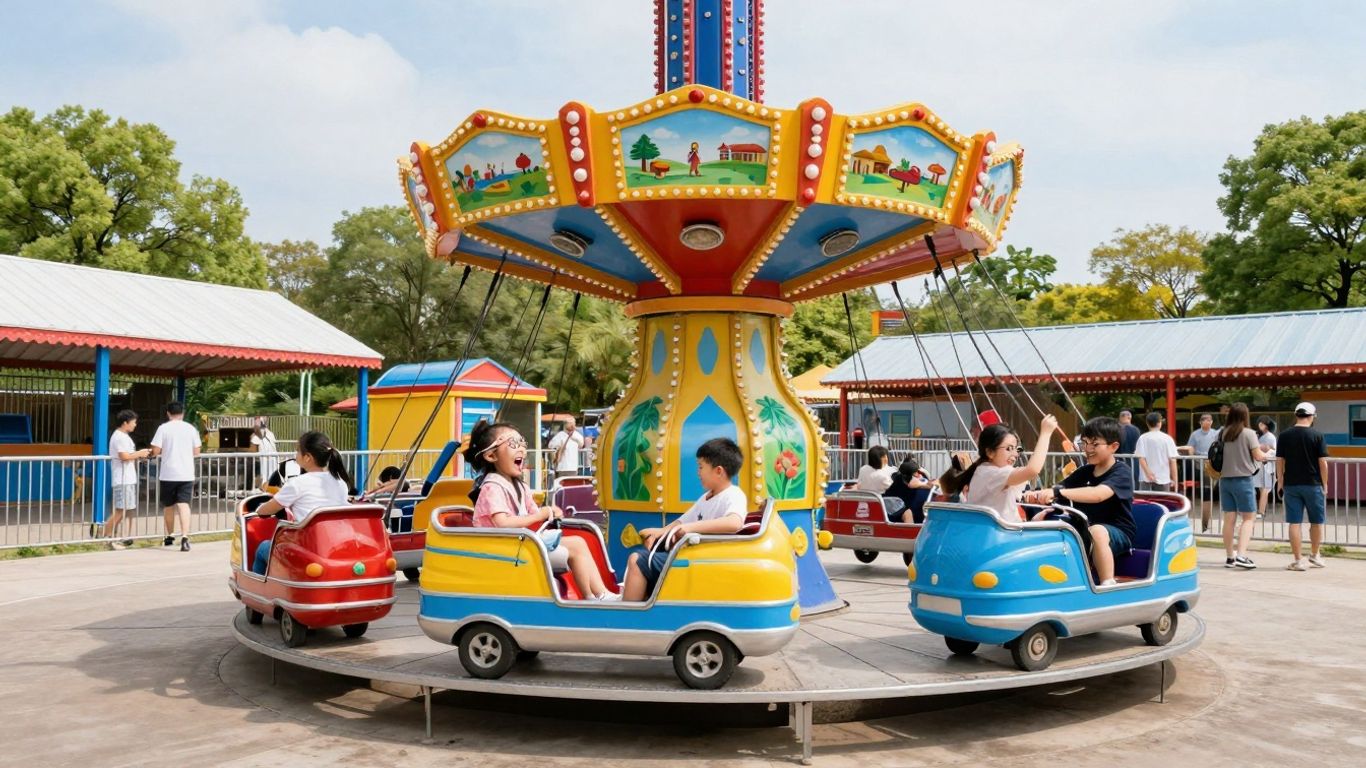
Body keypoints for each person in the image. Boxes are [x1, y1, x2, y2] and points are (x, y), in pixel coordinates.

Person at [466, 420, 617, 602]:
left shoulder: (519, 486)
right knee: (577, 544)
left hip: (519, 544)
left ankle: (599, 594)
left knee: (579, 541)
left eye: (521, 443)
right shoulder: (492, 487)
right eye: (513, 444)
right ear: (491, 456)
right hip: (502, 550)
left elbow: (533, 511)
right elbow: (502, 523)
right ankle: (592, 596)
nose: (521, 448)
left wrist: (550, 511)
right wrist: (539, 515)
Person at [621, 437, 747, 602]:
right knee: (650, 553)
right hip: (696, 556)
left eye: (701, 467)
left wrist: (691, 528)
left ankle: (630, 615)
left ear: (718, 471)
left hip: (705, 561)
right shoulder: (706, 498)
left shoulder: (733, 494)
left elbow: (734, 522)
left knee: (637, 560)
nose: (698, 472)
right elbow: (682, 522)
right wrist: (659, 532)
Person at [1023, 417, 1136, 587]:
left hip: (1117, 533)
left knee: (1097, 531)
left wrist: (1057, 492)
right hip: (1083, 528)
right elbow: (1058, 488)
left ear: (1114, 446)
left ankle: (1107, 583)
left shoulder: (1121, 472)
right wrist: (1036, 494)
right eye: (1085, 443)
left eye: (1095, 444)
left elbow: (1098, 494)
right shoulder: (1084, 472)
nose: (1088, 449)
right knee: (1051, 525)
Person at [249, 431, 353, 574]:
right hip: (335, 544)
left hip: (308, 548)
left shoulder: (296, 483)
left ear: (308, 457)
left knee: (263, 548)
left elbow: (267, 510)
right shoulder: (340, 482)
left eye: (298, 450)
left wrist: (259, 510)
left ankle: (258, 591)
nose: (295, 454)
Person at [940, 414, 1059, 522]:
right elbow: (1032, 470)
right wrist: (1046, 433)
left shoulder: (985, 470)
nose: (1015, 454)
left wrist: (1033, 521)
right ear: (990, 452)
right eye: (1008, 449)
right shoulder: (993, 473)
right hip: (1002, 539)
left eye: (1016, 449)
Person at [1217, 402, 1270, 570]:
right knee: (1249, 518)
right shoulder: (1249, 433)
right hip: (1243, 480)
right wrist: (1266, 454)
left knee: (1229, 519)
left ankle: (1230, 557)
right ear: (1245, 415)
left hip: (1225, 480)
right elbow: (1257, 455)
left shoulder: (1222, 433)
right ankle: (1241, 554)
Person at [1277, 403, 1329, 571]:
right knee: (1316, 521)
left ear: (1296, 415)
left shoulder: (1284, 435)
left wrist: (1280, 480)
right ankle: (1315, 555)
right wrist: (1325, 483)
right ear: (1312, 416)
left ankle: (1298, 560)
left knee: (1294, 522)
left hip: (1291, 484)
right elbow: (1323, 463)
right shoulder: (1317, 435)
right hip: (1313, 484)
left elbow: (1280, 460)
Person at [150, 402, 201, 552]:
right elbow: (197, 451)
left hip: (168, 473)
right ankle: (185, 537)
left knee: (168, 505)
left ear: (168, 413)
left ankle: (170, 535)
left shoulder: (163, 428)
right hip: (186, 472)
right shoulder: (191, 428)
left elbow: (156, 450)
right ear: (183, 413)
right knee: (184, 504)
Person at [104, 409, 150, 549]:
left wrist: (139, 456)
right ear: (125, 423)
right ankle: (107, 537)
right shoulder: (119, 437)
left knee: (126, 510)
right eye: (134, 422)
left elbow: (128, 455)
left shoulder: (124, 436)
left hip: (128, 478)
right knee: (120, 510)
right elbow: (124, 456)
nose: (135, 425)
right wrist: (140, 453)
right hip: (122, 478)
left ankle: (119, 536)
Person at [1181, 413, 1220, 532]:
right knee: (1206, 493)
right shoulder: (1195, 434)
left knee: (1210, 493)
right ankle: (1205, 522)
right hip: (1200, 465)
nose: (1207, 422)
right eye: (1204, 420)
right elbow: (1190, 448)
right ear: (1200, 422)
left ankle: (1207, 521)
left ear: (1212, 422)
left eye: (1209, 420)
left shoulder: (1216, 433)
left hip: (1214, 464)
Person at [1134, 412, 1179, 492]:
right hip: (1163, 478)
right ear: (1159, 423)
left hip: (1145, 478)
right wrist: (1175, 479)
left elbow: (1141, 458)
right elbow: (1173, 460)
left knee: (1146, 503)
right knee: (1162, 502)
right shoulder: (1167, 439)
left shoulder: (1142, 438)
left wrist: (1148, 473)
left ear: (1147, 423)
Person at [884, 457, 931, 523]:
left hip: (921, 514)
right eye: (916, 473)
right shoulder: (897, 483)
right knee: (908, 513)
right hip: (902, 513)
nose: (919, 475)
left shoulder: (923, 479)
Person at [1253, 416, 1277, 519]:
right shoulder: (1258, 436)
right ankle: (1261, 510)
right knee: (1261, 488)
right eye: (1259, 424)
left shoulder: (1270, 436)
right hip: (1260, 465)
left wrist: (1267, 448)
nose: (1260, 426)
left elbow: (1274, 450)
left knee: (1265, 489)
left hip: (1266, 465)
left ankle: (1261, 511)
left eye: (1262, 424)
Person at [249, 417, 279, 489]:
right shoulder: (270, 433)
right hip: (270, 458)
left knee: (266, 475)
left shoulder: (259, 435)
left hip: (266, 459)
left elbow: (253, 449)